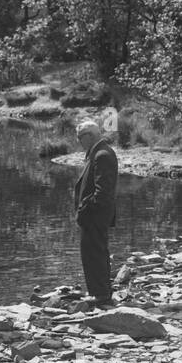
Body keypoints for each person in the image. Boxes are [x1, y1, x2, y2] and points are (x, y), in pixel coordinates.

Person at [72, 119, 118, 308]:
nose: (79, 142)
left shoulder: (101, 154)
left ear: (89, 136)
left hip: (95, 216)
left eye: (79, 138)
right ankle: (100, 292)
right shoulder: (100, 152)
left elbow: (103, 191)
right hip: (96, 215)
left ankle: (100, 294)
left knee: (94, 253)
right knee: (94, 252)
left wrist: (84, 208)